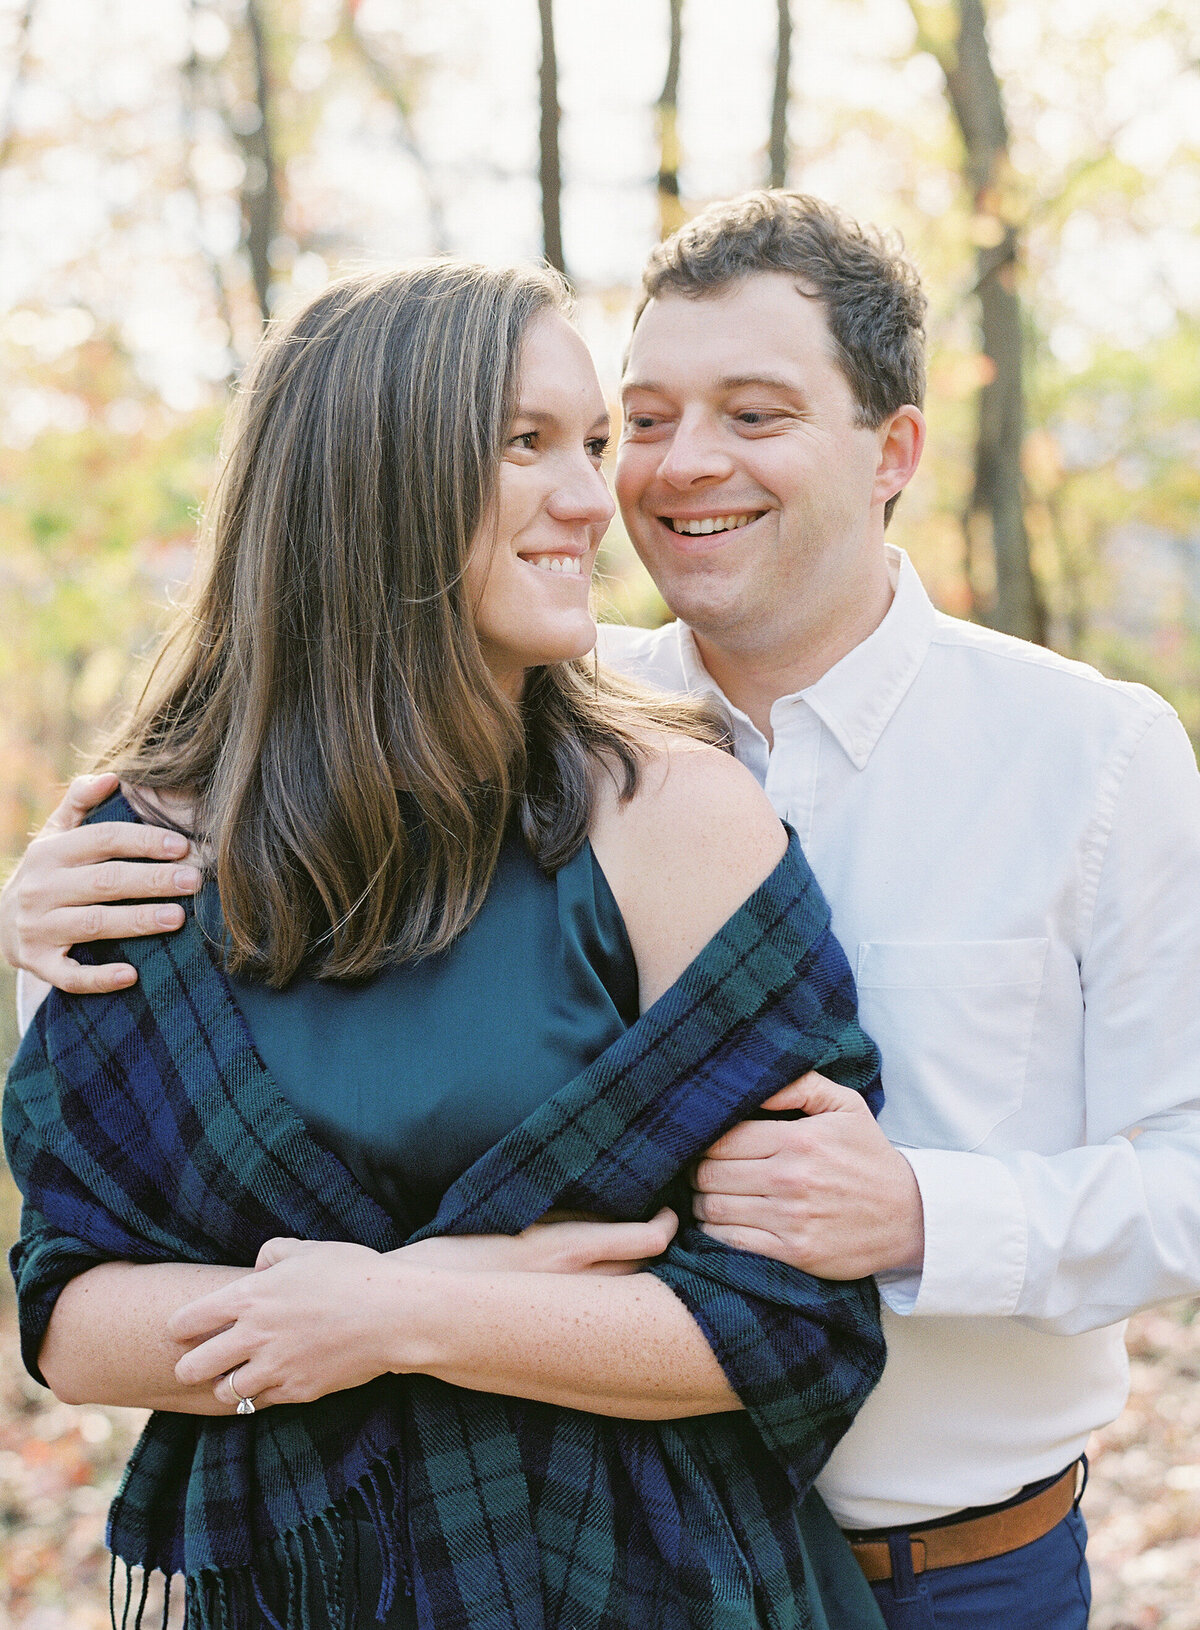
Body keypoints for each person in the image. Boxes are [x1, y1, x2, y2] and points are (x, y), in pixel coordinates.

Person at [13, 193, 1200, 1630]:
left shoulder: (1088, 754)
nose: (665, 468)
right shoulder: (540, 732)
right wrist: (46, 905)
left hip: (947, 1561)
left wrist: (918, 1211)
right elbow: (88, 1270)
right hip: (569, 1545)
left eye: (754, 413)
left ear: (894, 451)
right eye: (635, 421)